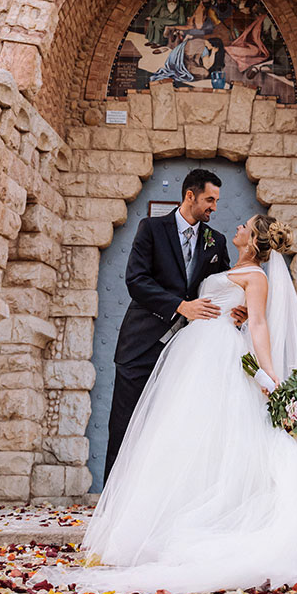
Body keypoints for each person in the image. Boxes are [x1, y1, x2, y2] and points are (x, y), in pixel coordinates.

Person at [53, 214, 297, 594]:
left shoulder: (257, 277)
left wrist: (271, 378)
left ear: (252, 238)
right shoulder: (230, 265)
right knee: (182, 436)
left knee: (218, 433)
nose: (235, 227)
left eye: (244, 226)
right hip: (194, 351)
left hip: (219, 354)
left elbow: (260, 325)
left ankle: (207, 522)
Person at [104, 169, 232, 475]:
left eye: (216, 200)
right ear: (190, 196)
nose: (214, 207)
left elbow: (223, 284)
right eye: (209, 200)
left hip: (186, 352)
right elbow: (136, 280)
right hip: (141, 345)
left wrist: (236, 310)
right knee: (125, 424)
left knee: (171, 429)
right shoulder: (151, 228)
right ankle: (112, 506)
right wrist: (180, 306)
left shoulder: (217, 241)